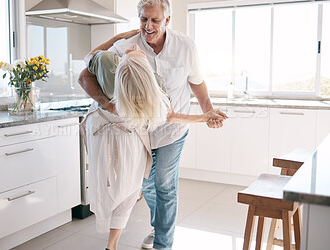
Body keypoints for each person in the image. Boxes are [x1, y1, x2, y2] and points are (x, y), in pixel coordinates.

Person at [78, 39, 226, 250]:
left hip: (111, 136)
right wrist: (203, 117)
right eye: (134, 51)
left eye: (134, 52)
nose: (136, 46)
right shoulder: (155, 87)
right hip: (124, 139)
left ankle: (116, 243)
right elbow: (171, 116)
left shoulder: (108, 62)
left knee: (120, 187)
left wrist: (122, 36)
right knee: (129, 190)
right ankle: (112, 244)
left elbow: (87, 62)